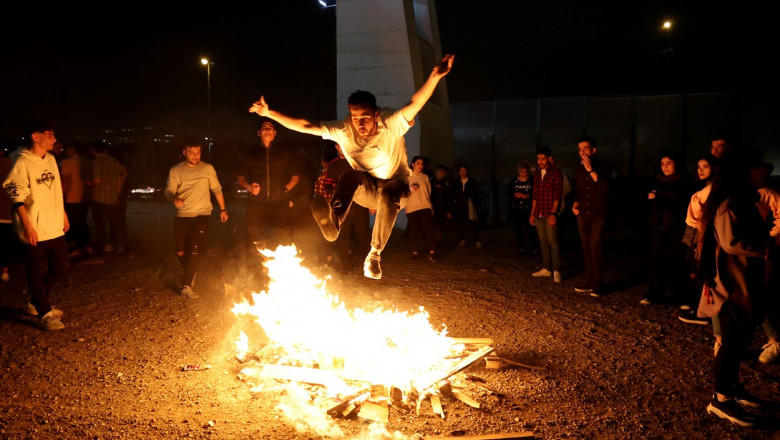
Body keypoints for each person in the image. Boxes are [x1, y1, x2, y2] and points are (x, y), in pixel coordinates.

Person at [249, 54, 455, 279]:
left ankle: (374, 255)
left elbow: (415, 103)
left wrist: (434, 77)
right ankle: (334, 221)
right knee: (350, 176)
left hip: (398, 189)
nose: (360, 124)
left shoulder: (390, 122)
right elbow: (306, 125)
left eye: (365, 117)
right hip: (366, 191)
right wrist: (269, 113)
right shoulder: (344, 129)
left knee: (389, 191)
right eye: (355, 117)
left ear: (376, 114)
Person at [697, 145, 767, 427]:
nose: (765, 171)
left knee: (739, 341)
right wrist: (765, 245)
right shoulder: (729, 204)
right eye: (760, 166)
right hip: (731, 285)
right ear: (743, 171)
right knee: (731, 342)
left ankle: (730, 390)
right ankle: (721, 400)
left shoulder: (742, 200)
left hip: (742, 282)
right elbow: (731, 242)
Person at [2, 120, 69, 330]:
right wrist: (27, 225)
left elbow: (55, 190)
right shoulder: (21, 161)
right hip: (34, 227)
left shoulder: (50, 159)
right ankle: (44, 312)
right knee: (35, 271)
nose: (54, 139)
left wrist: (63, 213)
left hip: (54, 224)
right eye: (49, 134)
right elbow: (16, 195)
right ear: (35, 136)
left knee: (60, 265)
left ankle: (37, 302)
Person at [164, 138, 228, 299]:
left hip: (202, 215)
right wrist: (174, 200)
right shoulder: (176, 170)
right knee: (180, 251)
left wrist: (223, 209)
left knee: (194, 250)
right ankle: (191, 271)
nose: (195, 156)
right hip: (183, 215)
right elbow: (168, 191)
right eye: (191, 153)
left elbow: (217, 189)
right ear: (184, 152)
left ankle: (186, 285)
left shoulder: (207, 168)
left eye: (198, 153)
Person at [236, 118, 301, 251]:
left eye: (270, 127)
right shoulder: (250, 152)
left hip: (279, 202)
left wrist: (284, 190)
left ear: (275, 132)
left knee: (284, 237)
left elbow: (295, 177)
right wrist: (249, 187)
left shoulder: (284, 152)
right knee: (254, 238)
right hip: (256, 202)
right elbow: (240, 177)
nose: (267, 129)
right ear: (258, 133)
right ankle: (253, 269)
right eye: (264, 127)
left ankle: (285, 265)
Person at [640, 151, 694, 305]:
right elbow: (649, 198)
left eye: (668, 163)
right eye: (663, 164)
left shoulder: (684, 181)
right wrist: (662, 199)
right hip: (658, 224)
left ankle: (679, 293)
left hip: (677, 224)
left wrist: (659, 198)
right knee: (656, 258)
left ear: (676, 164)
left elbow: (680, 202)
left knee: (677, 259)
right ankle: (655, 292)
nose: (665, 167)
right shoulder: (657, 179)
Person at [312, 142, 370, 275]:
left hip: (360, 205)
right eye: (339, 146)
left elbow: (367, 183)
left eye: (344, 144)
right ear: (336, 148)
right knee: (343, 236)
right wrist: (339, 191)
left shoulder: (357, 163)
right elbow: (327, 186)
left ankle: (368, 265)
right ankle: (346, 267)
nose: (342, 148)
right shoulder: (333, 165)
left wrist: (372, 204)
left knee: (363, 235)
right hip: (342, 207)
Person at [678, 154, 718, 324]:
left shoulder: (713, 189)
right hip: (698, 231)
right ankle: (699, 307)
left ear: (715, 168)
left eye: (705, 167)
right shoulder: (703, 188)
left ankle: (703, 312)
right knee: (697, 269)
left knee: (704, 270)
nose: (700, 170)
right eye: (698, 167)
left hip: (705, 233)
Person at [571, 136, 611, 297]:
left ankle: (598, 284)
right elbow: (578, 189)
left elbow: (605, 187)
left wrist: (591, 170)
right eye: (580, 149)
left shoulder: (603, 166)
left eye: (585, 148)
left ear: (593, 150)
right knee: (586, 247)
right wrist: (575, 203)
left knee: (595, 246)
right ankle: (589, 280)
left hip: (598, 213)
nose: (582, 152)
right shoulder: (578, 168)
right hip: (583, 213)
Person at [530, 145, 564, 283]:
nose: (540, 161)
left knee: (553, 241)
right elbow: (535, 195)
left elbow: (557, 195)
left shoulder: (556, 173)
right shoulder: (537, 174)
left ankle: (556, 270)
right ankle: (546, 268)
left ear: (549, 158)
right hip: (538, 212)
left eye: (543, 159)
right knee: (543, 241)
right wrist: (532, 213)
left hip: (549, 212)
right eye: (538, 159)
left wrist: (553, 213)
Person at [90, 142, 126, 260]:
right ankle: (119, 246)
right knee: (116, 224)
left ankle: (100, 251)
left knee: (100, 226)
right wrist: (118, 191)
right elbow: (119, 178)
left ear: (93, 151)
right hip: (113, 199)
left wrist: (89, 183)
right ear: (105, 150)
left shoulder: (97, 162)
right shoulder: (114, 161)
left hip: (99, 198)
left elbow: (97, 180)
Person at [59, 143, 93, 258]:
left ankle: (77, 247)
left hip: (72, 197)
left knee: (74, 222)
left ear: (71, 149)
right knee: (82, 221)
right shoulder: (88, 162)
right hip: (86, 197)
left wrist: (62, 195)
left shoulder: (67, 162)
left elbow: (66, 180)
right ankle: (86, 245)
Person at [406, 156, 438, 262]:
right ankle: (415, 252)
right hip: (412, 208)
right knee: (415, 231)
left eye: (422, 164)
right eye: (418, 163)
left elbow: (428, 192)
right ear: (413, 164)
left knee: (428, 229)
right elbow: (402, 192)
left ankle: (432, 252)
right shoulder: (407, 177)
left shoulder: (425, 177)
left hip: (425, 206)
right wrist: (409, 189)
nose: (421, 166)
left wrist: (430, 206)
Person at [451, 164, 482, 249]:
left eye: (464, 170)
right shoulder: (456, 181)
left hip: (469, 203)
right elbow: (453, 192)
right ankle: (462, 239)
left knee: (472, 222)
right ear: (458, 172)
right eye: (461, 171)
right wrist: (455, 199)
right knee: (460, 222)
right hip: (459, 204)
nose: (463, 172)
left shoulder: (472, 181)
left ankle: (477, 240)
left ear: (467, 171)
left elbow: (475, 192)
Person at [508, 160, 535, 254]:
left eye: (525, 172)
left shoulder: (531, 180)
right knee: (518, 228)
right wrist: (515, 195)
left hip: (528, 208)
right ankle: (521, 247)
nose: (523, 174)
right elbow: (509, 192)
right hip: (517, 208)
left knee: (530, 228)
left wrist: (527, 196)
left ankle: (534, 246)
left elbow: (535, 193)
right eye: (521, 172)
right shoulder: (514, 181)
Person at [1, 150, 15, 282]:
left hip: (4, 210)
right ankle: (5, 270)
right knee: (5, 242)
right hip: (6, 212)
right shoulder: (11, 164)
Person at [430, 164, 452, 244]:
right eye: (440, 171)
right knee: (432, 226)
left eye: (444, 172)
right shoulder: (430, 182)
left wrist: (448, 211)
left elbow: (447, 198)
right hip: (432, 208)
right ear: (436, 172)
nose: (442, 173)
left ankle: (437, 242)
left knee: (439, 226)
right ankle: (432, 243)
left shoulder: (445, 184)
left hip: (441, 208)